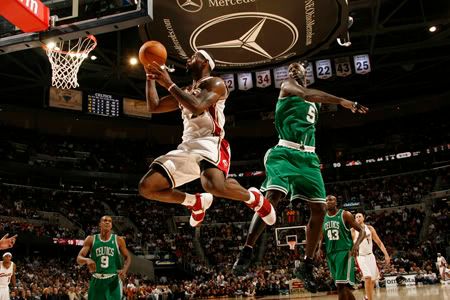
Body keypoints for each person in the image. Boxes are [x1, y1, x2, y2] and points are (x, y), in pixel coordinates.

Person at [232, 62, 368, 291]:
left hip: (309, 158)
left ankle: (306, 264)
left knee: (320, 210)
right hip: (284, 152)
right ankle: (247, 249)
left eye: (298, 70)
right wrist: (343, 101)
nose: (294, 72)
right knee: (273, 195)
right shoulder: (288, 86)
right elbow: (306, 93)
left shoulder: (312, 99)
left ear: (306, 74)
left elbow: (311, 101)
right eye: (291, 70)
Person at [139, 50, 275, 227]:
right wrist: (149, 77)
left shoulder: (215, 83)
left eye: (194, 56)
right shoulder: (186, 90)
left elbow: (198, 106)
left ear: (205, 63)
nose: (189, 58)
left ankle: (254, 199)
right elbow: (154, 106)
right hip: (187, 146)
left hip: (210, 142)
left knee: (214, 186)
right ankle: (194, 202)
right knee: (147, 187)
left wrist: (169, 84)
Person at [320, 195, 366, 300]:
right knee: (341, 285)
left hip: (344, 252)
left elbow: (362, 231)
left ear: (336, 202)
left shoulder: (345, 214)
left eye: (331, 200)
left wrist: (356, 245)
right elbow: (321, 234)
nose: (328, 201)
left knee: (341, 285)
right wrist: (318, 248)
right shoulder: (324, 217)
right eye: (326, 200)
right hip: (330, 253)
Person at [77, 216, 131, 300]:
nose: (107, 222)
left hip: (113, 280)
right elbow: (79, 259)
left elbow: (128, 257)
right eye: (105, 220)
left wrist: (124, 270)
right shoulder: (91, 239)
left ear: (111, 225)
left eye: (110, 221)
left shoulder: (118, 240)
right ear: (100, 224)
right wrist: (87, 259)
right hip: (96, 279)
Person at [352, 213, 390, 300]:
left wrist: (386, 255)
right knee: (368, 277)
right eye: (356, 217)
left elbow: (379, 242)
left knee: (373, 280)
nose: (358, 218)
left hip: (370, 256)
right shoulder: (353, 230)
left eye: (359, 216)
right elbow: (350, 245)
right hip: (360, 257)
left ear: (363, 218)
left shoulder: (369, 228)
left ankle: (367, 297)